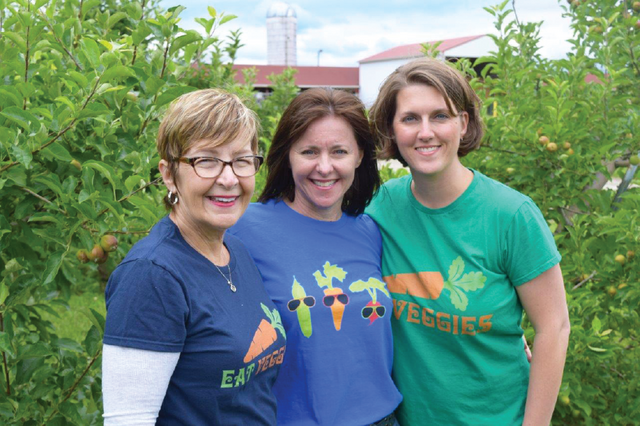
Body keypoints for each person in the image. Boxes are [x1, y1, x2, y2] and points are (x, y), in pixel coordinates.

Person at [366, 57, 570, 425]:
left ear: (463, 123)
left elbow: (554, 327)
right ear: (392, 130)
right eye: (410, 118)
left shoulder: (511, 215)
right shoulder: (379, 207)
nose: (425, 132)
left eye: (440, 116)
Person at [102, 89, 286, 425]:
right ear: (169, 174)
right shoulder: (152, 275)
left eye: (242, 160)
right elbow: (129, 419)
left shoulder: (236, 251)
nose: (228, 178)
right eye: (207, 161)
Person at [230, 87, 402, 425]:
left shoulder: (371, 231)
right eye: (309, 151)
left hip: (381, 418)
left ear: (359, 157)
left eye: (339, 151)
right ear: (287, 155)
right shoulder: (242, 228)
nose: (324, 167)